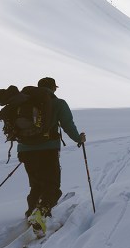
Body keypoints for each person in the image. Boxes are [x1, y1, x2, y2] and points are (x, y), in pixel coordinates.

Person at [18, 77, 85, 223]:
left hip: (24, 150)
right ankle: (41, 214)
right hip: (47, 150)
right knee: (52, 185)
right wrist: (78, 139)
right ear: (53, 88)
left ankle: (31, 212)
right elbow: (68, 124)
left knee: (36, 183)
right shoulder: (58, 103)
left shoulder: (25, 103)